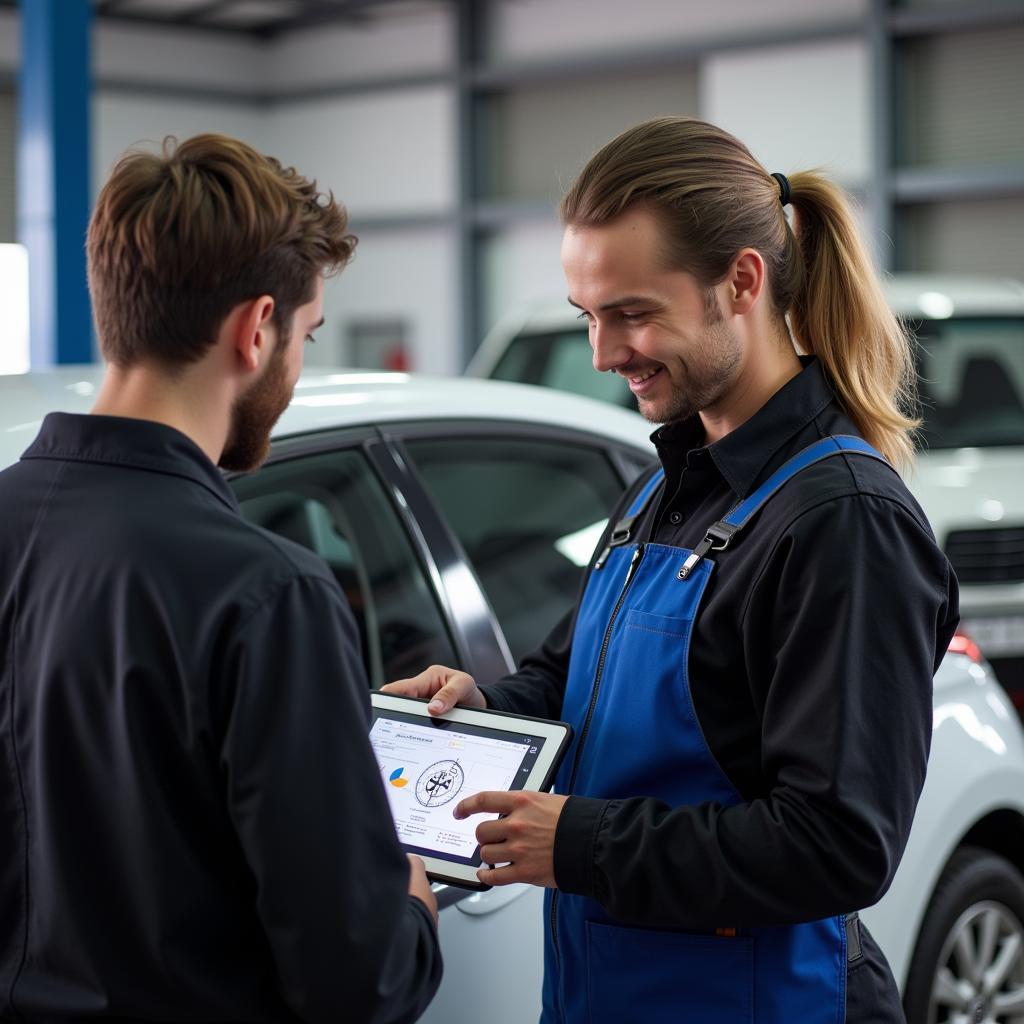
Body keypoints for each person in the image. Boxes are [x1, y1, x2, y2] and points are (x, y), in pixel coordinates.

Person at [384, 116, 958, 1023]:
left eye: (633, 314)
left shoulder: (844, 523)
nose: (605, 355)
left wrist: (581, 842)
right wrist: (482, 710)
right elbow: (568, 681)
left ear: (741, 281)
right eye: (589, 316)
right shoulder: (666, 485)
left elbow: (838, 844)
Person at [0, 134, 441, 1023]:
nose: (297, 363)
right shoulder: (266, 593)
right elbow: (357, 983)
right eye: (306, 335)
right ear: (255, 329)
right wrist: (412, 906)